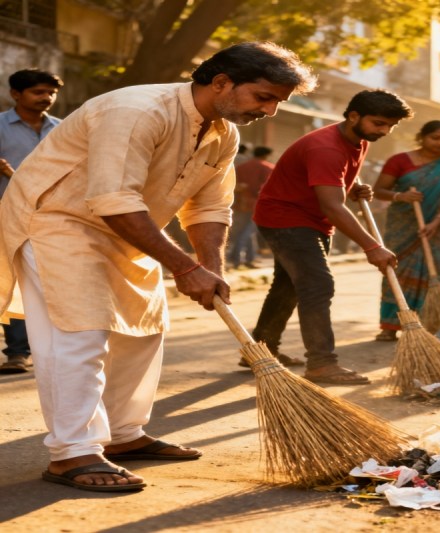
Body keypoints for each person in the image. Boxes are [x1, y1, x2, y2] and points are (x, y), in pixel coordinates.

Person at [0, 41, 316, 492]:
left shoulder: (224, 132)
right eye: (263, 97)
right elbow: (114, 198)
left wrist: (210, 266)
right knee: (79, 335)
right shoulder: (137, 110)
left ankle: (124, 436)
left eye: (277, 102)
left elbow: (209, 206)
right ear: (221, 82)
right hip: (57, 222)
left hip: (129, 229)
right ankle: (72, 452)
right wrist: (185, 268)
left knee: (143, 333)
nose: (269, 111)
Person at [251, 89, 412, 383]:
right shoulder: (326, 147)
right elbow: (333, 206)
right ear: (353, 116)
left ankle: (261, 350)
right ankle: (322, 363)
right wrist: (372, 246)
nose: (385, 131)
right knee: (316, 285)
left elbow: (331, 184)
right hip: (286, 219)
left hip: (308, 218)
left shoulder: (358, 140)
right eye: (379, 123)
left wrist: (352, 187)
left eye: (390, 126)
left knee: (287, 286)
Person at [371, 120, 440, 341]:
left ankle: (439, 323)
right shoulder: (399, 161)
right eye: (435, 138)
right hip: (404, 225)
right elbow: (379, 191)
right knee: (398, 271)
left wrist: (436, 223)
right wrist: (401, 196)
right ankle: (391, 325)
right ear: (422, 137)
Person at [0, 69, 63, 374]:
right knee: (12, 281)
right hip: (6, 215)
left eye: (50, 93)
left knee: (48, 282)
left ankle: (49, 348)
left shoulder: (64, 130)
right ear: (16, 94)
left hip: (53, 217)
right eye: (38, 92)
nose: (46, 98)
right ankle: (16, 352)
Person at [227, 145, 274, 269]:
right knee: (248, 232)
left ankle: (249, 258)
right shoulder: (267, 168)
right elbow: (267, 188)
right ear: (265, 155)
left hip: (241, 203)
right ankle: (236, 258)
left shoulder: (241, 167)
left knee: (244, 231)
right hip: (257, 204)